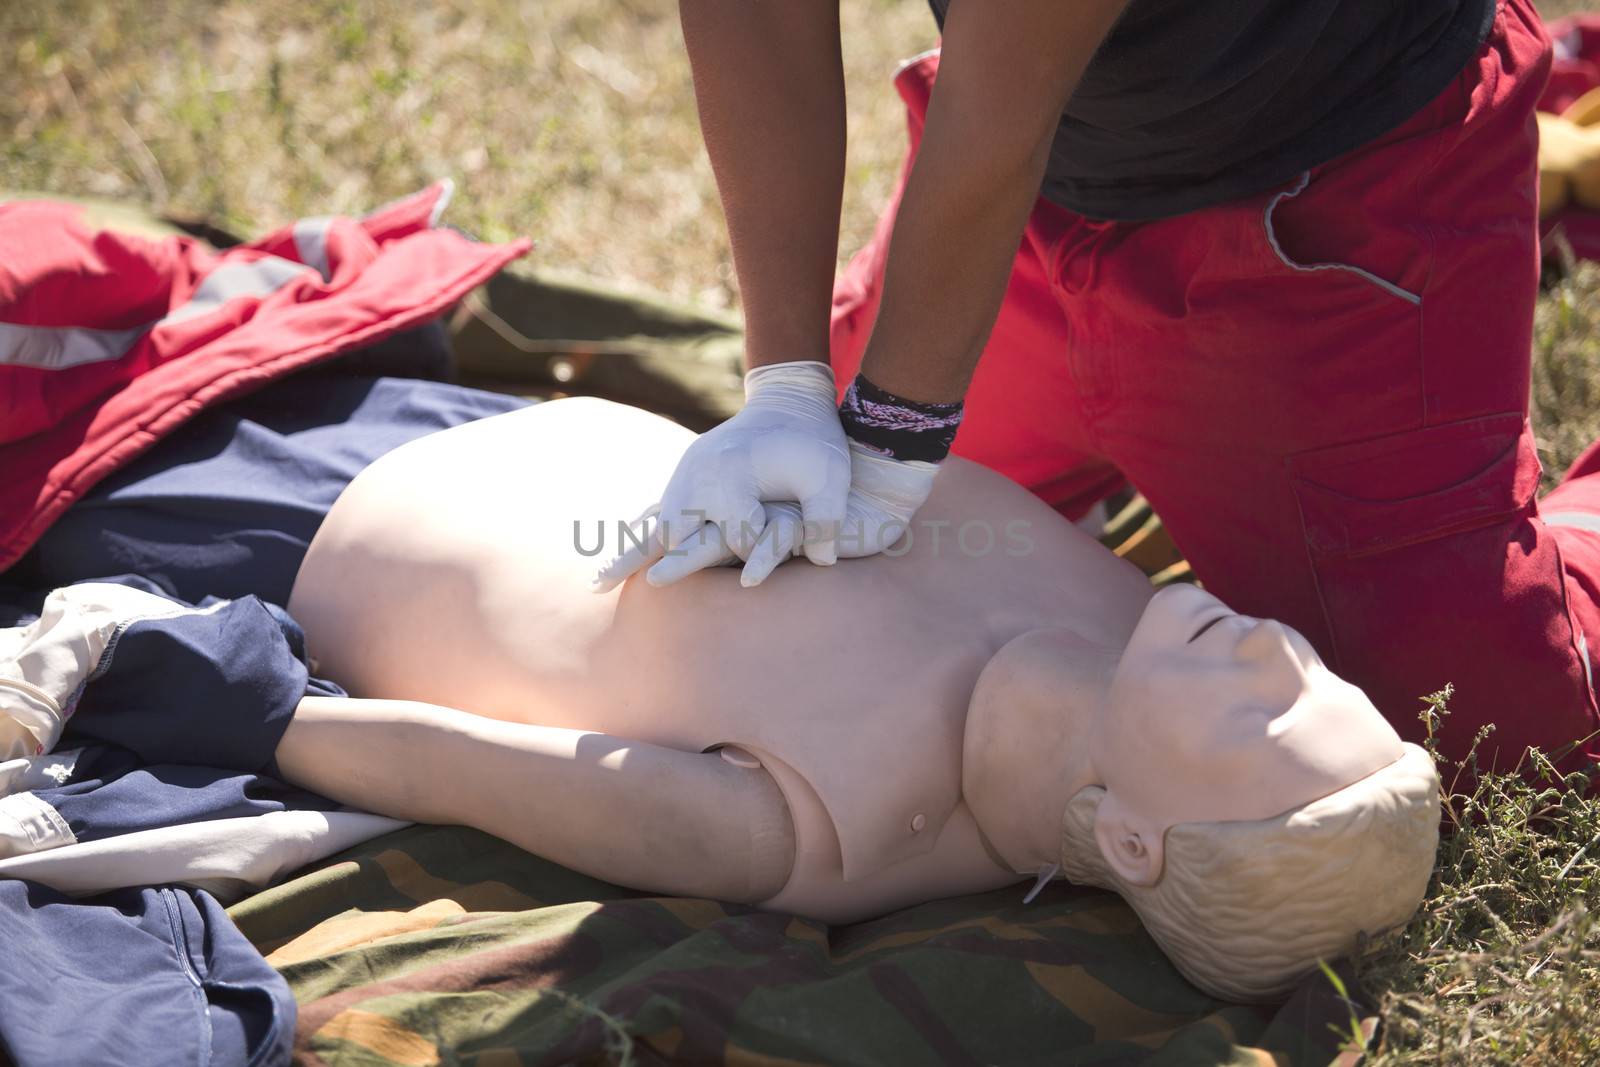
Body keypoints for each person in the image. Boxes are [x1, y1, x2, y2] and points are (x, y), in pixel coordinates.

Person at [598, 1, 1600, 776]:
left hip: (1329, 195)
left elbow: (1005, 98)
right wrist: (784, 383)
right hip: (1037, 193)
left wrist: (897, 430)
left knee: (1464, 733)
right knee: (823, 580)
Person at [274, 397, 1439, 1002]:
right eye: (1321, 676)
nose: (1277, 648)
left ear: (1136, 838)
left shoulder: (820, 822)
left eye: (1263, 715)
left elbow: (456, 764)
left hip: (332, 523)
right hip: (541, 428)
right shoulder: (1126, 610)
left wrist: (233, 704)